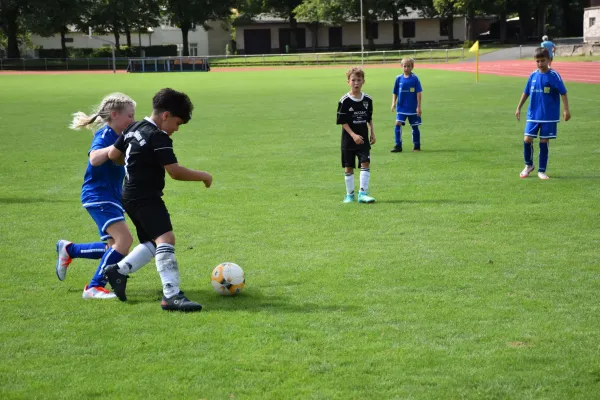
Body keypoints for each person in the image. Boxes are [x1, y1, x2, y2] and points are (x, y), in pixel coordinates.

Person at [103, 88, 213, 312]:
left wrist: (135, 161)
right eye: (177, 124)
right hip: (145, 195)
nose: (176, 130)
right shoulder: (158, 136)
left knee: (153, 243)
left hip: (129, 194)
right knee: (166, 239)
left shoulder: (133, 128)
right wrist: (204, 175)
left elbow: (113, 156)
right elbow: (174, 172)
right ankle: (171, 295)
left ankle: (118, 270)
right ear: (166, 116)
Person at [56, 93, 136, 299]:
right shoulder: (105, 135)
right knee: (124, 241)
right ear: (114, 115)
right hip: (99, 195)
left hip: (112, 196)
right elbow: (94, 158)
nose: (132, 120)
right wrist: (116, 147)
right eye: (129, 116)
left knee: (115, 248)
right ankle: (93, 287)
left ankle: (70, 249)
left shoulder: (122, 135)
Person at [515, 47, 571, 180]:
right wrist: (519, 107)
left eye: (543, 61)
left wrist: (566, 110)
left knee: (543, 141)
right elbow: (526, 92)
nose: (540, 64)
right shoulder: (533, 75)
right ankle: (529, 165)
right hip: (533, 114)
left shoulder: (554, 76)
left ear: (549, 60)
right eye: (538, 61)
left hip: (548, 116)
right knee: (527, 139)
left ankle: (541, 170)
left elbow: (563, 92)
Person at [336, 67, 376, 204]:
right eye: (353, 80)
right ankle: (349, 195)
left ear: (363, 81)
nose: (356, 83)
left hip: (363, 138)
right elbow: (342, 121)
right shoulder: (344, 101)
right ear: (348, 82)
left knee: (365, 162)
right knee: (349, 166)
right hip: (348, 139)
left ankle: (363, 194)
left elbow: (369, 118)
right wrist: (353, 135)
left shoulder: (368, 100)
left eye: (359, 80)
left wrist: (372, 132)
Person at [390, 57, 423, 152]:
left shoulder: (415, 79)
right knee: (397, 124)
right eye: (404, 66)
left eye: (408, 66)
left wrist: (418, 107)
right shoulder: (398, 78)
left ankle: (417, 146)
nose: (406, 68)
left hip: (412, 108)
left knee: (414, 126)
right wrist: (393, 103)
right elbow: (395, 92)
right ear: (401, 67)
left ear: (412, 67)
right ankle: (398, 145)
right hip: (401, 107)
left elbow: (418, 93)